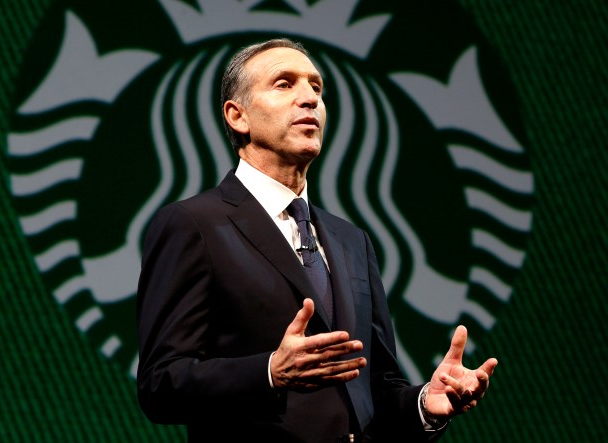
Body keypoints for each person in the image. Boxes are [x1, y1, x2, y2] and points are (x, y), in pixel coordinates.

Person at [137, 38, 498, 443]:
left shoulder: (352, 240)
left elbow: (374, 389)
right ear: (238, 116)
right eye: (284, 84)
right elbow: (160, 384)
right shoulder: (194, 223)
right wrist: (270, 372)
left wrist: (425, 403)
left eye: (316, 87)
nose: (309, 99)